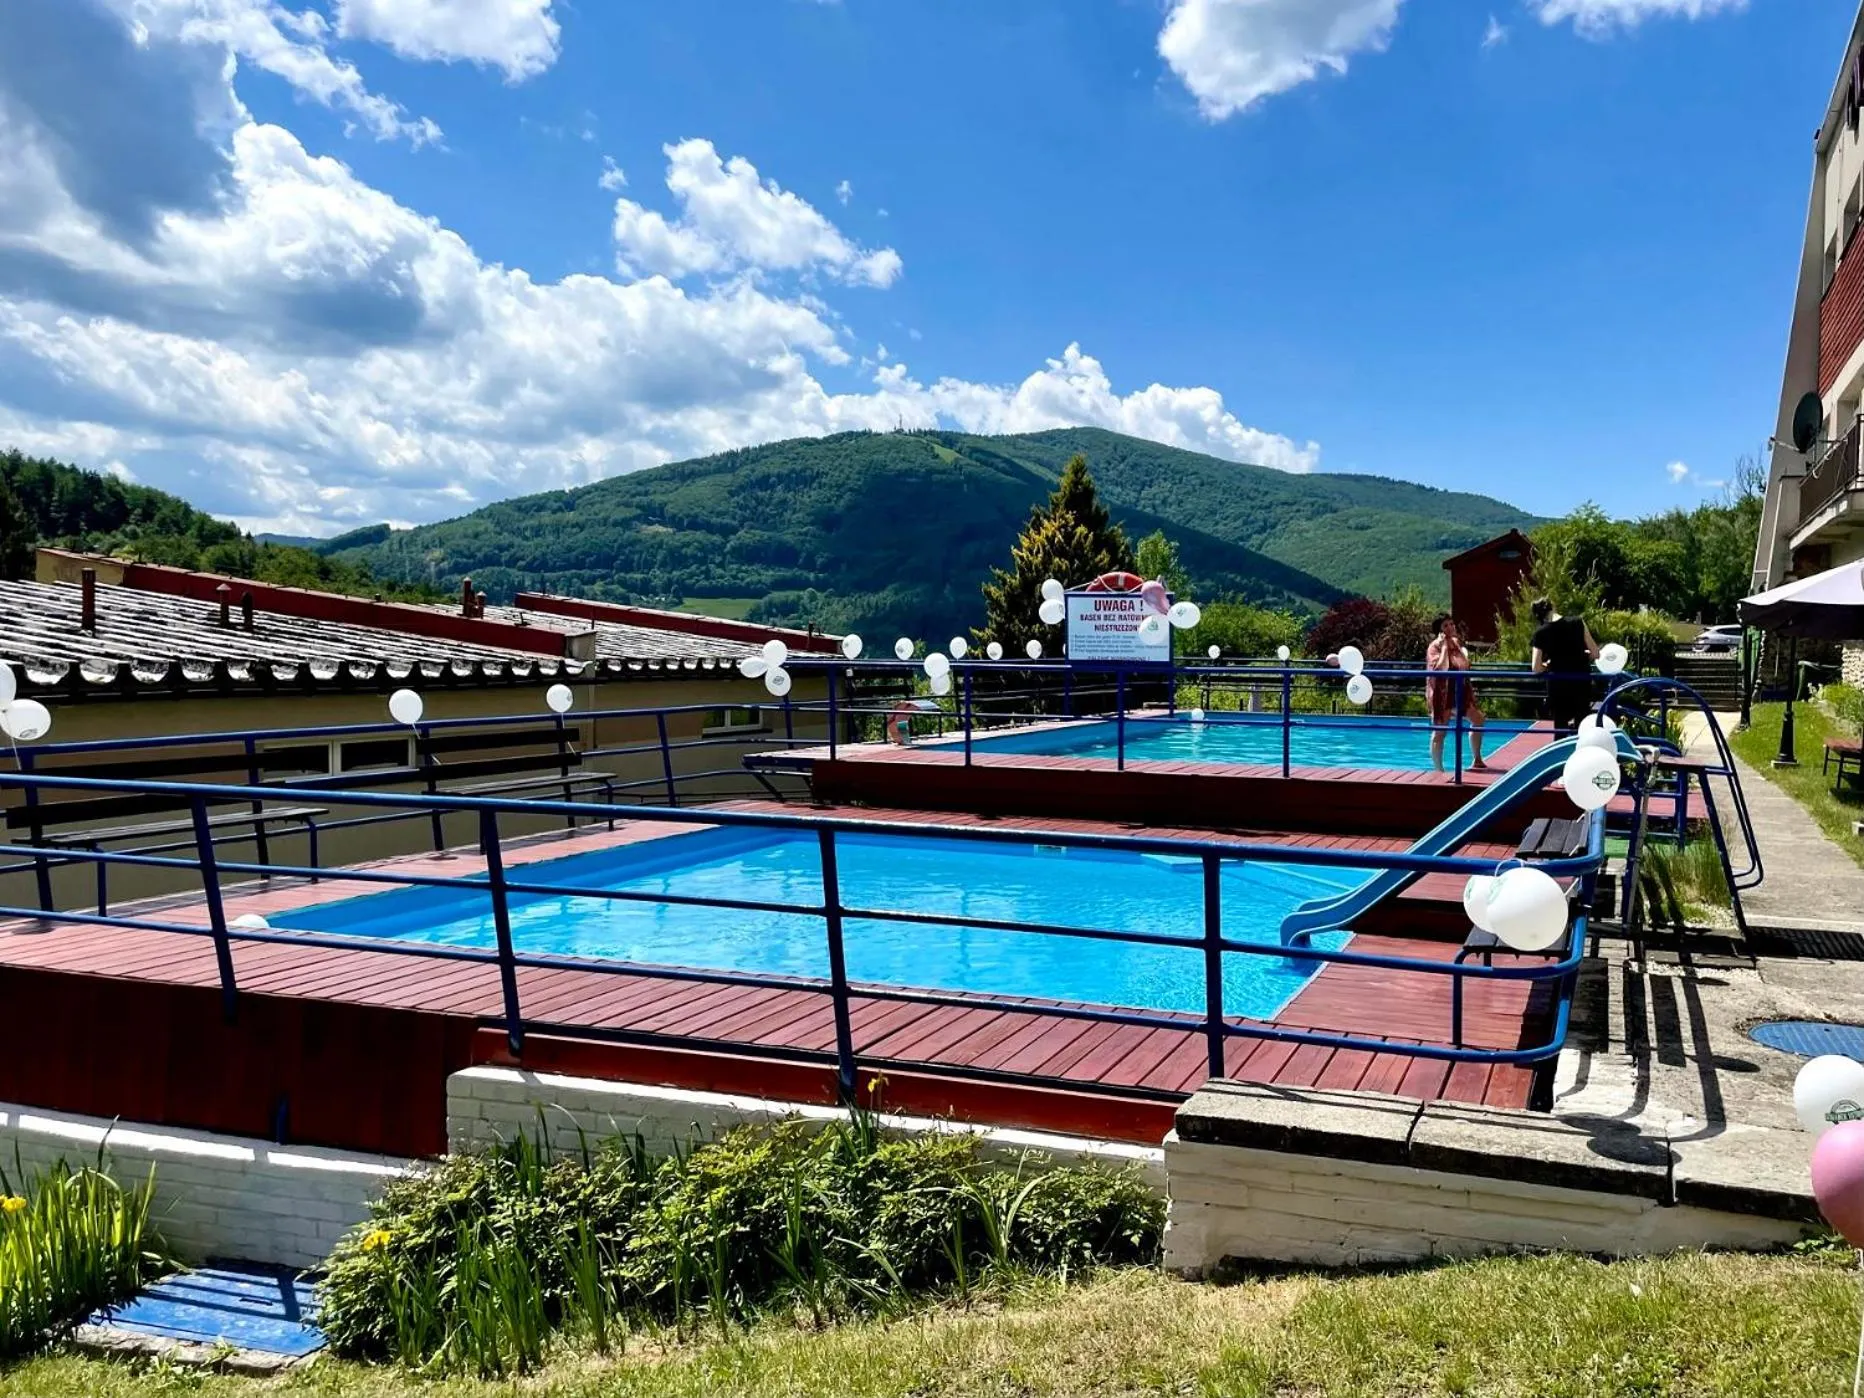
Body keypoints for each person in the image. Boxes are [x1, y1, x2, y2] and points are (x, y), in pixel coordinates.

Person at [1529, 598, 1600, 732]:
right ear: (1553, 607)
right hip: (1581, 682)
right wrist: (1582, 657)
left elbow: (1536, 668)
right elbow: (1595, 653)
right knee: (1581, 729)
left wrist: (1548, 666)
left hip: (1558, 685)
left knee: (1560, 729)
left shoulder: (1541, 633)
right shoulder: (1578, 622)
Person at [1425, 615, 1485, 772]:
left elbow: (1465, 665)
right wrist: (1444, 647)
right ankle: (1439, 769)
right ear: (1440, 631)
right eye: (1445, 626)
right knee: (1440, 732)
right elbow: (1441, 669)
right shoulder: (1434, 647)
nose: (1451, 627)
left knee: (1478, 719)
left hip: (1461, 692)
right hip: (1443, 695)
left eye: (1452, 624)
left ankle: (1477, 759)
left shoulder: (1457, 643)